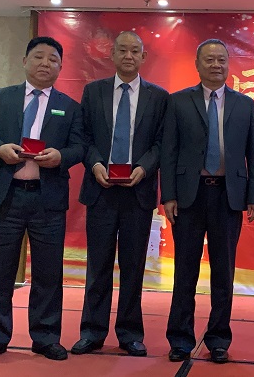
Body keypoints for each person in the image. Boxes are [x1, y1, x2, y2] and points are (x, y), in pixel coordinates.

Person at [0, 36, 85, 362]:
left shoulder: (70, 106)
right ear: (25, 61)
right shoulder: (0, 98)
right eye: (38, 56)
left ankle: (46, 337)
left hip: (47, 198)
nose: (45, 63)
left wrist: (61, 157)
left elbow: (80, 146)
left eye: (53, 59)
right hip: (6, 196)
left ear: (61, 67)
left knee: (48, 272)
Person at [161, 38, 254, 364]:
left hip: (227, 197)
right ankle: (180, 339)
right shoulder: (178, 102)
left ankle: (218, 339)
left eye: (221, 59)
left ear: (228, 64)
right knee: (185, 271)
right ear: (197, 64)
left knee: (223, 272)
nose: (216, 65)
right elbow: (169, 152)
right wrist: (169, 195)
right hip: (189, 197)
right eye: (209, 59)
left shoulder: (244, 105)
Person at [71, 31, 169, 357]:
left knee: (132, 267)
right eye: (122, 50)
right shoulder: (93, 91)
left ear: (143, 57)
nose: (128, 56)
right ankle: (92, 331)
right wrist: (95, 164)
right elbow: (83, 136)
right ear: (112, 55)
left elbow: (162, 143)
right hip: (101, 190)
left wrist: (144, 168)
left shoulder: (159, 97)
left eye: (135, 51)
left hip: (137, 193)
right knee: (97, 266)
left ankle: (130, 333)